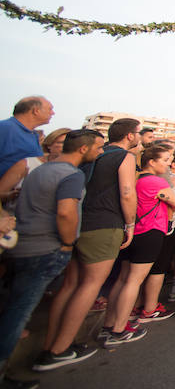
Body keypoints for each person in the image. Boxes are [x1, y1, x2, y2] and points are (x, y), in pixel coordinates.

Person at [0, 129, 103, 381]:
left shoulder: (39, 169)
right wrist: (68, 243)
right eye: (97, 148)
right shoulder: (71, 174)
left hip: (22, 245)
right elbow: (66, 212)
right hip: (45, 247)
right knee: (19, 313)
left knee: (15, 308)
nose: (100, 152)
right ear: (83, 149)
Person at [36, 118, 139, 371]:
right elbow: (127, 192)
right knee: (90, 286)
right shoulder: (123, 157)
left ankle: (49, 345)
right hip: (105, 223)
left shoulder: (91, 157)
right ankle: (60, 349)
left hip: (79, 222)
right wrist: (130, 224)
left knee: (70, 285)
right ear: (128, 136)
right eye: (137, 133)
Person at [101, 145, 175, 346]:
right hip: (149, 232)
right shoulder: (155, 181)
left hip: (134, 232)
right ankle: (119, 329)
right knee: (134, 281)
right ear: (151, 161)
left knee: (124, 279)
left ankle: (110, 324)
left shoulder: (136, 179)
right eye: (165, 160)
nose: (168, 164)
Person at [138, 148, 175, 321]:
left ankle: (145, 305)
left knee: (158, 266)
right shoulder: (168, 180)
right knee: (158, 267)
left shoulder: (171, 179)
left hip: (168, 227)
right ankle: (149, 307)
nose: (170, 163)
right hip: (168, 226)